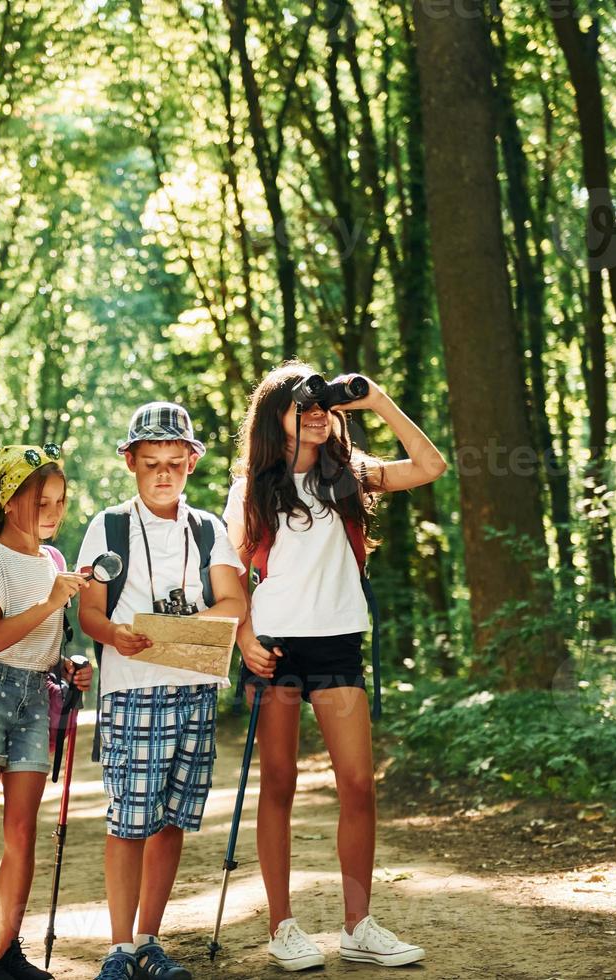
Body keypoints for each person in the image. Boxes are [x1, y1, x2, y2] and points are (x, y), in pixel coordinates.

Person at [223, 363, 446, 971]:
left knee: (357, 785)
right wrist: (243, 637)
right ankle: (282, 927)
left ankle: (357, 925)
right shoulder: (251, 490)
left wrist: (377, 401)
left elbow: (430, 467)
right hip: (276, 651)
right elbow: (229, 574)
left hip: (338, 644)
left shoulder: (348, 476)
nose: (319, 413)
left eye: (325, 406)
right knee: (280, 786)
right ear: (275, 417)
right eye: (304, 405)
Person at [76, 403, 248, 980]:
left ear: (193, 462)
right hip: (132, 686)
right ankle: (119, 948)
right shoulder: (109, 525)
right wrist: (117, 636)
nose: (164, 474)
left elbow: (233, 602)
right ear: (130, 461)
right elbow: (91, 614)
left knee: (173, 815)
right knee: (130, 818)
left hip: (194, 685)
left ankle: (151, 938)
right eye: (151, 462)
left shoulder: (209, 529)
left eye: (176, 462)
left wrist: (182, 631)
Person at [0, 444, 94, 980]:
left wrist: (72, 664)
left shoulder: (53, 562)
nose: (54, 513)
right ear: (10, 504)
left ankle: (9, 950)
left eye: (59, 501)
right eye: (43, 503)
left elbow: (44, 648)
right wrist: (52, 602)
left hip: (37, 695)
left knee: (22, 830)